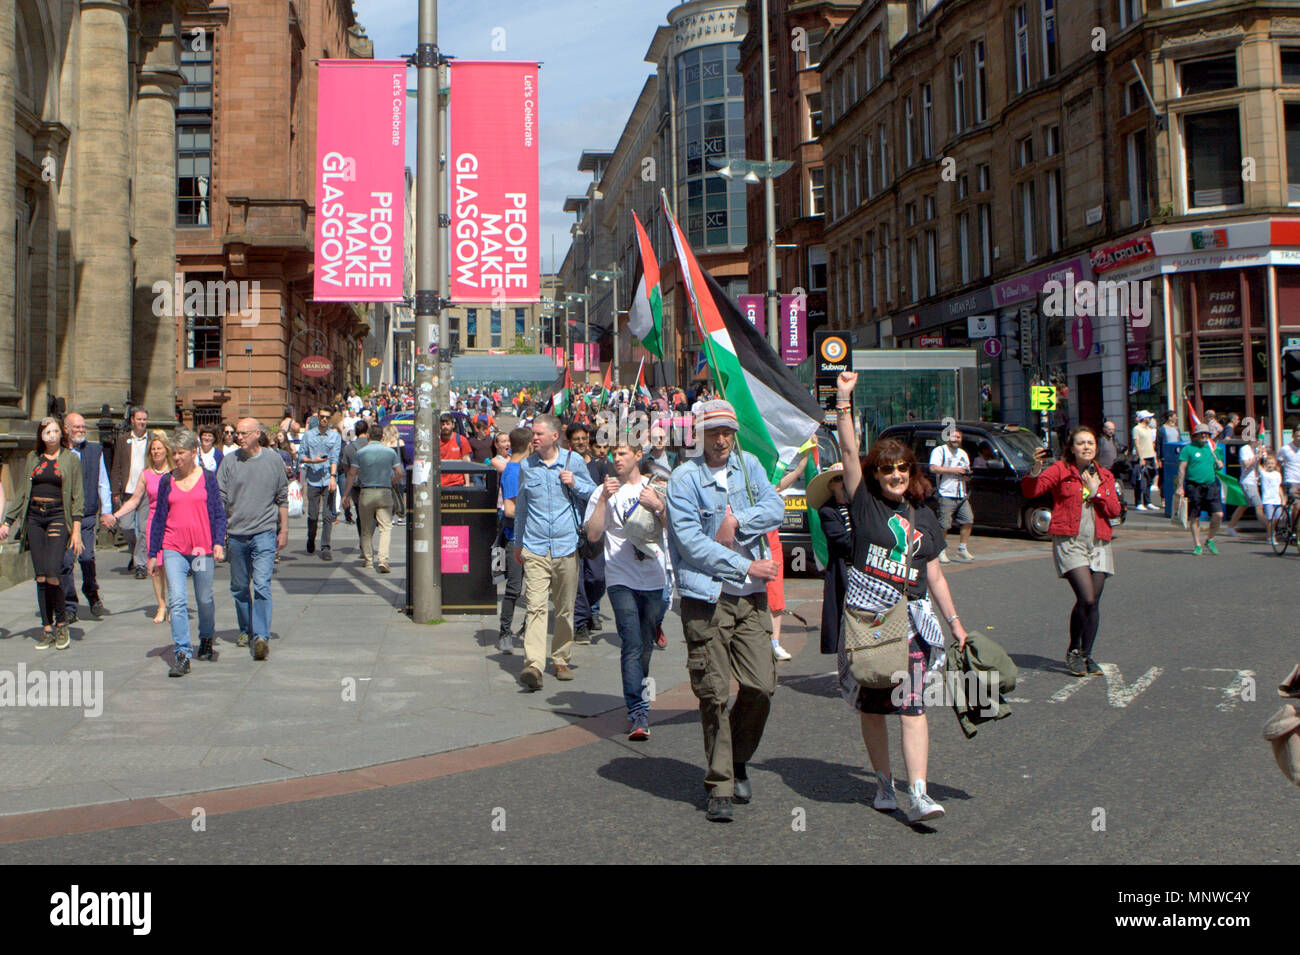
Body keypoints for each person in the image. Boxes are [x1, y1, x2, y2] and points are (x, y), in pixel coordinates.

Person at [833, 373, 968, 824]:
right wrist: (843, 400)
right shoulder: (864, 503)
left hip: (911, 620)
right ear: (875, 474)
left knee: (912, 704)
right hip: (869, 621)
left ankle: (920, 794)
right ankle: (883, 783)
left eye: (901, 469)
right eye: (886, 469)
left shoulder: (926, 516)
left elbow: (934, 574)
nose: (894, 475)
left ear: (911, 473)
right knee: (873, 706)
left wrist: (954, 623)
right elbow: (849, 450)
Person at [665, 400, 784, 823]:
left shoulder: (749, 466)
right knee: (714, 694)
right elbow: (689, 543)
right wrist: (743, 563)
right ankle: (719, 784)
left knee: (762, 686)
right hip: (706, 599)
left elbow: (775, 506)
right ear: (698, 435)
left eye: (727, 432)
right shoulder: (683, 478)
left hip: (750, 600)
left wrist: (739, 523)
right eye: (713, 431)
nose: (721, 440)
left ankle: (736, 759)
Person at [584, 440, 669, 740]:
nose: (616, 459)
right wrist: (603, 501)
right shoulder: (604, 490)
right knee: (632, 644)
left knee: (644, 647)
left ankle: (643, 691)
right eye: (613, 454)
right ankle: (638, 713)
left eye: (622, 454)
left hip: (655, 577)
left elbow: (675, 527)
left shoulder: (656, 485)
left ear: (637, 455)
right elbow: (593, 535)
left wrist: (658, 505)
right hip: (621, 579)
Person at [1022, 426, 1123, 678]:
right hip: (1070, 540)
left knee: (1092, 603)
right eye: (1081, 443)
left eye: (1090, 442)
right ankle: (1073, 651)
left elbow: (1114, 510)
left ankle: (1086, 654)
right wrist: (1036, 468)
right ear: (1072, 448)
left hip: (1099, 541)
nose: (1086, 447)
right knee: (1086, 597)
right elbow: (1031, 490)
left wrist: (1096, 490)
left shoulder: (1105, 475)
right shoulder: (1061, 470)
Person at [512, 414, 597, 690]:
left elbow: (594, 495)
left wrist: (576, 483)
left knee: (563, 608)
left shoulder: (573, 462)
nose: (533, 438)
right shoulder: (527, 466)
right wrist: (518, 541)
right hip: (536, 546)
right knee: (535, 606)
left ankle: (561, 658)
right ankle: (533, 665)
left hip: (565, 546)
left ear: (553, 436)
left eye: (538, 434)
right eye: (532, 434)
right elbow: (522, 506)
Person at [147, 430, 226, 677]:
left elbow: (218, 512)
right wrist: (153, 553)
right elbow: (159, 518)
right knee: (177, 600)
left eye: (181, 453)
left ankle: (205, 636)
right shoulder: (166, 481)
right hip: (174, 549)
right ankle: (182, 653)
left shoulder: (208, 479)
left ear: (194, 453)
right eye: (174, 453)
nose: (176, 457)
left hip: (202, 549)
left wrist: (218, 542)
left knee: (204, 598)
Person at [0, 418, 85, 650]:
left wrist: (76, 530)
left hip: (58, 516)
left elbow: (78, 496)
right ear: (41, 435)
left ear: (61, 434)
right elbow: (22, 492)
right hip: (35, 518)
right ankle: (46, 627)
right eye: (47, 431)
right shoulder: (32, 459)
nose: (52, 435)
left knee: (53, 572)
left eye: (56, 431)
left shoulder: (70, 459)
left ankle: (62, 624)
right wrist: (8, 521)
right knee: (40, 575)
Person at [217, 418, 289, 660]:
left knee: (261, 584)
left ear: (257, 434)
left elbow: (282, 497)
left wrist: (284, 530)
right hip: (236, 534)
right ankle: (246, 629)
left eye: (244, 433)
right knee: (239, 587)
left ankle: (261, 636)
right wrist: (219, 533)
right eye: (237, 433)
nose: (239, 437)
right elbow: (220, 499)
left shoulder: (273, 460)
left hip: (264, 532)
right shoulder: (229, 462)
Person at [109, 431, 174, 624]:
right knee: (155, 567)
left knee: (171, 566)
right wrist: (115, 515)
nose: (155, 452)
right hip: (154, 523)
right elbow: (135, 500)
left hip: (172, 522)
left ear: (166, 450)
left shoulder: (174, 471)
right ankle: (161, 605)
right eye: (153, 449)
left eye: (159, 448)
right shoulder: (146, 474)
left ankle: (173, 604)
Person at [59, 413, 112, 622]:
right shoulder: (60, 453)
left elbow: (103, 482)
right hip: (64, 517)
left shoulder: (93, 451)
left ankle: (91, 591)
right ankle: (69, 604)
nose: (81, 430)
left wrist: (106, 510)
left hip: (88, 514)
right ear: (66, 429)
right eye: (77, 427)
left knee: (87, 557)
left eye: (83, 427)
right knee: (65, 562)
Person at [342, 427, 403, 572]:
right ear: (382, 436)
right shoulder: (390, 452)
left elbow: (351, 474)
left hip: (366, 492)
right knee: (386, 527)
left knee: (366, 528)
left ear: (368, 436)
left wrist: (346, 494)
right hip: (384, 491)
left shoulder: (361, 453)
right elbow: (399, 472)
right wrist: (391, 481)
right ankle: (383, 559)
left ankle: (368, 559)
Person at [808, 463, 851, 658]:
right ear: (831, 485)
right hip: (843, 571)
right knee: (844, 621)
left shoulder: (860, 505)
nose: (843, 483)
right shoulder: (828, 511)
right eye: (838, 479)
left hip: (865, 569)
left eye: (845, 477)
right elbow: (841, 539)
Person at [496, 427, 532, 654]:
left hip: (530, 538)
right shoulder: (513, 471)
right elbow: (509, 508)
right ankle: (504, 632)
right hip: (515, 538)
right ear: (529, 446)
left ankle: (528, 628)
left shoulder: (524, 468)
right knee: (514, 588)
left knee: (535, 588)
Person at [108, 406, 152, 577]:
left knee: (143, 529)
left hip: (147, 491)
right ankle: (135, 552)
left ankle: (140, 564)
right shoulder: (123, 439)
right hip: (128, 490)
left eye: (144, 419)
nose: (142, 422)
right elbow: (116, 466)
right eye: (139, 419)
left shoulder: (152, 439)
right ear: (132, 420)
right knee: (126, 526)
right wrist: (115, 491)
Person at [299, 405, 341, 561]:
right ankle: (311, 537)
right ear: (317, 417)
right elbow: (301, 455)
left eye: (327, 417)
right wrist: (311, 460)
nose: (324, 420)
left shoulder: (335, 436)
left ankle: (325, 547)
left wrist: (333, 476)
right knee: (313, 514)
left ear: (330, 419)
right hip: (313, 478)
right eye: (322, 417)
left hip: (328, 478)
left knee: (329, 514)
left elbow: (335, 457)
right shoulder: (308, 436)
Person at [1176, 423, 1225, 555]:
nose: (1204, 436)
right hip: (1194, 487)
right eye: (1201, 434)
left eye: (1206, 434)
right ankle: (1197, 545)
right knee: (1195, 517)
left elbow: (1219, 465)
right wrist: (1180, 486)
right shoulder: (1188, 449)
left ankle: (1210, 539)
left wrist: (1220, 465)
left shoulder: (1211, 448)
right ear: (1196, 436)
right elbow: (1182, 468)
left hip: (1211, 485)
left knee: (1218, 514)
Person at [930, 427, 975, 562]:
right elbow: (933, 468)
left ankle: (962, 548)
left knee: (968, 519)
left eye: (958, 437)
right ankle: (941, 550)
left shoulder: (962, 453)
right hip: (946, 493)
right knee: (944, 524)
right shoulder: (940, 451)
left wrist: (967, 475)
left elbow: (966, 469)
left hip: (961, 493)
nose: (956, 440)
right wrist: (953, 470)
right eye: (954, 437)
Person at [1227, 435, 1265, 536]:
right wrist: (1256, 456)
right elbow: (1246, 465)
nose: (1259, 442)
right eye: (1258, 440)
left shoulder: (1256, 450)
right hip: (1247, 482)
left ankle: (1230, 526)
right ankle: (1269, 530)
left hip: (1254, 481)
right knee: (1258, 506)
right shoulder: (1245, 449)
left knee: (1244, 505)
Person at [1130, 411, 1158, 510]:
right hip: (1142, 457)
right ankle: (1138, 502)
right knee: (1140, 480)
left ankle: (1148, 501)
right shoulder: (1137, 429)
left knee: (1149, 481)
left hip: (1150, 457)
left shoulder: (1149, 429)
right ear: (1143, 418)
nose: (1150, 419)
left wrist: (1155, 458)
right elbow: (1137, 444)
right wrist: (1141, 457)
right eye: (1148, 417)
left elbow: (1151, 444)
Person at [380, 424, 406, 524]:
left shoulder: (383, 444)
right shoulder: (400, 442)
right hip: (399, 470)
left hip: (386, 471)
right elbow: (405, 458)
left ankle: (389, 516)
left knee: (389, 495)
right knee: (400, 494)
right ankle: (401, 516)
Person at [439, 413, 472, 487]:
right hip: (440, 484)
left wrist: (467, 483)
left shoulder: (461, 440)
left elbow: (466, 462)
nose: (445, 426)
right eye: (443, 424)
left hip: (457, 483)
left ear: (453, 425)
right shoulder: (435, 442)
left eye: (448, 424)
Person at [1261, 452, 1284, 543]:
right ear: (1265, 465)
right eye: (1268, 463)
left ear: (1275, 465)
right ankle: (1270, 537)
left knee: (1277, 519)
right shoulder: (1263, 474)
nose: (1270, 465)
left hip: (1276, 500)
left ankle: (1273, 533)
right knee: (1270, 519)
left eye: (1272, 463)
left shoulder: (1277, 474)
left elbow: (1279, 487)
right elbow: (1257, 466)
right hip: (1267, 499)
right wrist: (1260, 453)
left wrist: (1282, 499)